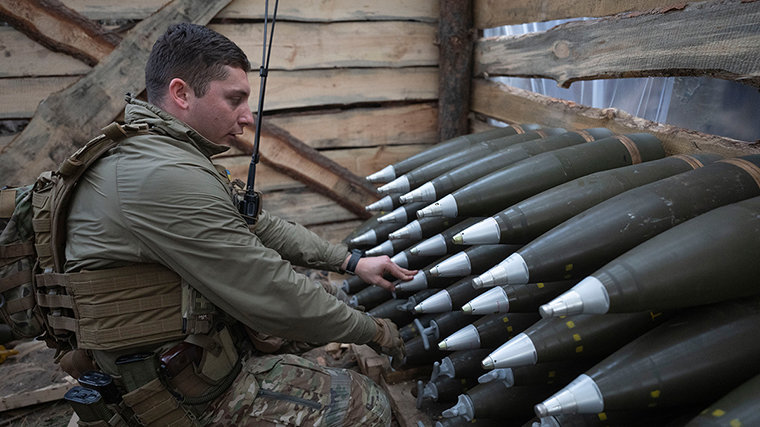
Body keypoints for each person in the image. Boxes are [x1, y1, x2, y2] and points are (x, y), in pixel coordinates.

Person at [62, 22, 415, 426]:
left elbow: (261, 227)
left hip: (176, 354)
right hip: (171, 393)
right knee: (366, 404)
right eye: (235, 100)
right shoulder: (161, 176)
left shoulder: (159, 153)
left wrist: (351, 262)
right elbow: (269, 288)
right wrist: (372, 331)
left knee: (313, 303)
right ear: (181, 93)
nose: (247, 116)